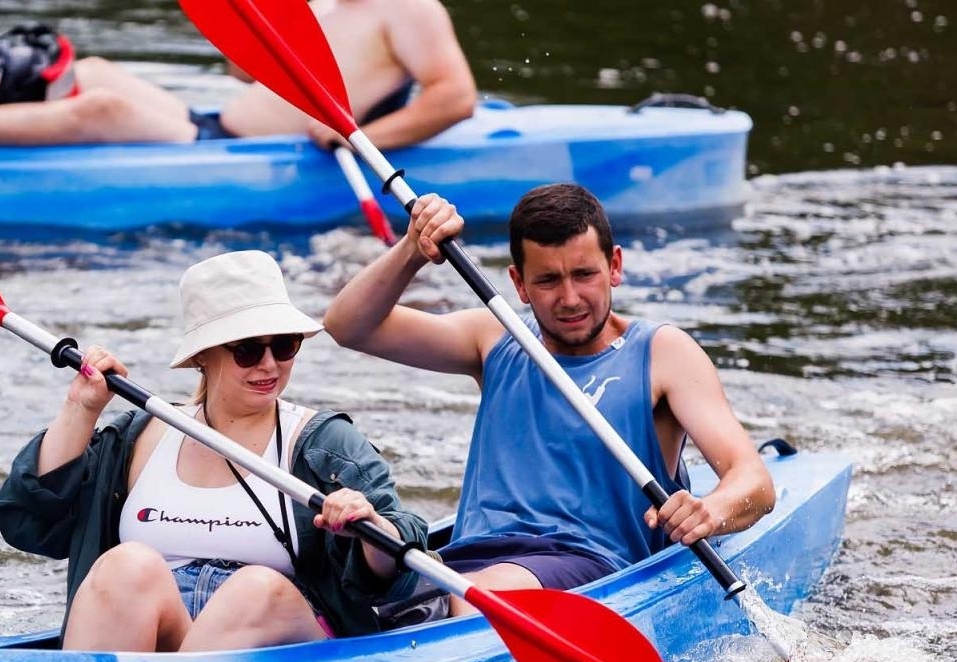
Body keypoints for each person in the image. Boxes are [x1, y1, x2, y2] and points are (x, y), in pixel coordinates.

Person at [323, 182, 776, 621]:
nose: (570, 298)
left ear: (614, 266)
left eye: (584, 274)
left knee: (483, 589)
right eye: (548, 280)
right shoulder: (495, 338)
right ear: (518, 284)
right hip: (468, 565)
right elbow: (348, 327)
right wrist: (411, 250)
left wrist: (708, 513)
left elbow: (753, 481)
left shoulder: (662, 353)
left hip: (589, 568)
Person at [0, 251, 428, 652]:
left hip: (285, 651)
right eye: (247, 350)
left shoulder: (324, 444)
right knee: (125, 566)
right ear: (203, 355)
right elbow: (30, 523)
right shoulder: (139, 438)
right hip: (167, 640)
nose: (270, 365)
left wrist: (369, 526)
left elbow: (399, 573)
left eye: (284, 345)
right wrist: (81, 407)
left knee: (256, 588)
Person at [0, 0, 476, 147]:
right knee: (90, 69)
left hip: (245, 154)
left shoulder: (409, 7)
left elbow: (455, 98)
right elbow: (241, 71)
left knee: (101, 110)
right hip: (209, 125)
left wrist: (357, 139)